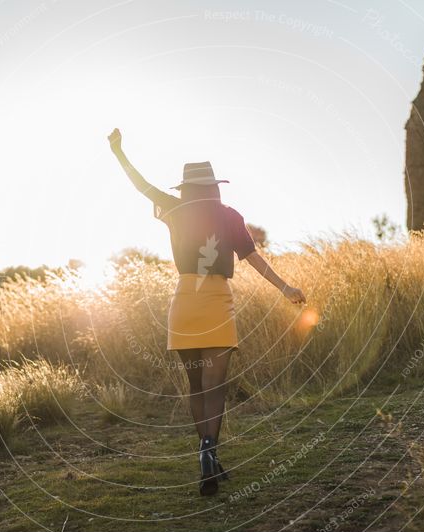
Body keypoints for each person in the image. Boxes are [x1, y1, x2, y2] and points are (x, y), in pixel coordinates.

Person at [108, 128, 306, 496]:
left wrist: (118, 152)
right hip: (216, 301)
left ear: (185, 188)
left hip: (184, 301)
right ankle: (210, 451)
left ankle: (204, 452)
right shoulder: (230, 215)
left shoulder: (173, 208)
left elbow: (140, 184)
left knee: (195, 387)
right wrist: (285, 288)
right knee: (217, 388)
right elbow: (253, 259)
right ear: (214, 186)